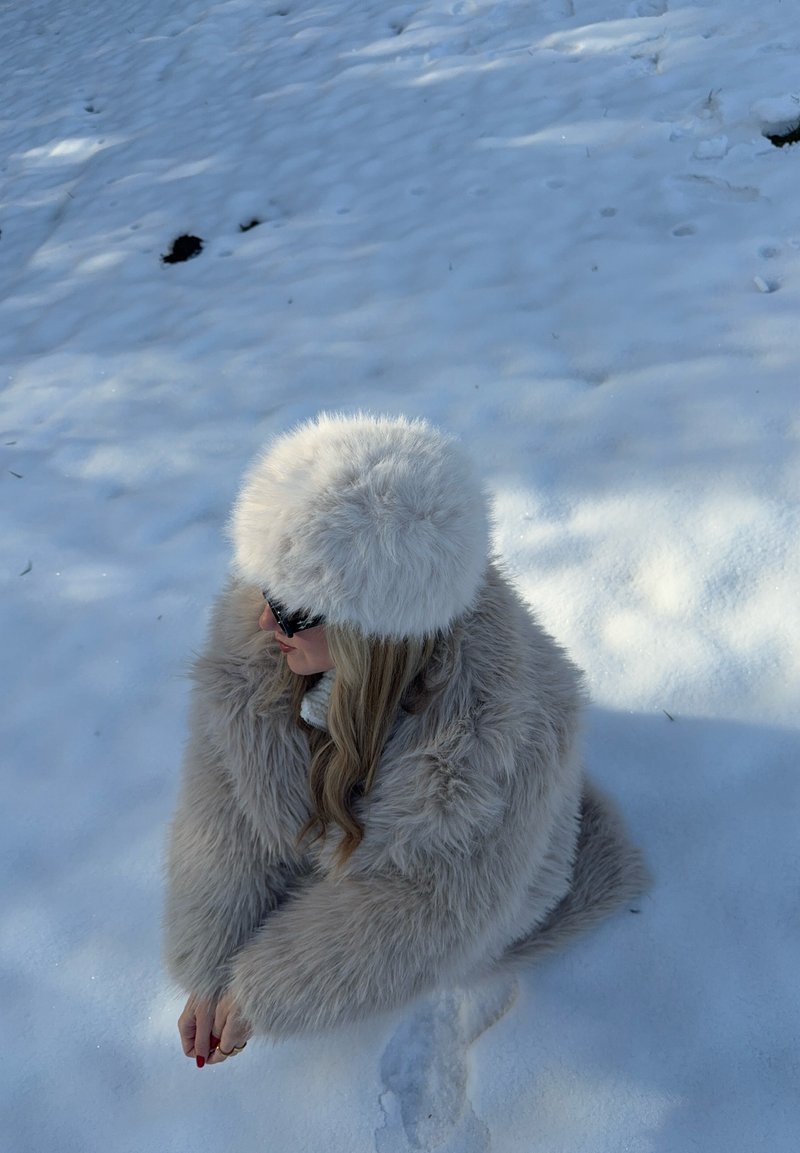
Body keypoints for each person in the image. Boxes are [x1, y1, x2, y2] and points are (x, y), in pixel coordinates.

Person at [164, 412, 647, 1068]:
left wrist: (262, 993)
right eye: (269, 590)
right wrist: (209, 960)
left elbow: (428, 914)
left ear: (375, 629)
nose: (263, 618)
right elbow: (219, 817)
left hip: (494, 897)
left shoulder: (507, 738)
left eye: (294, 610)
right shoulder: (257, 650)